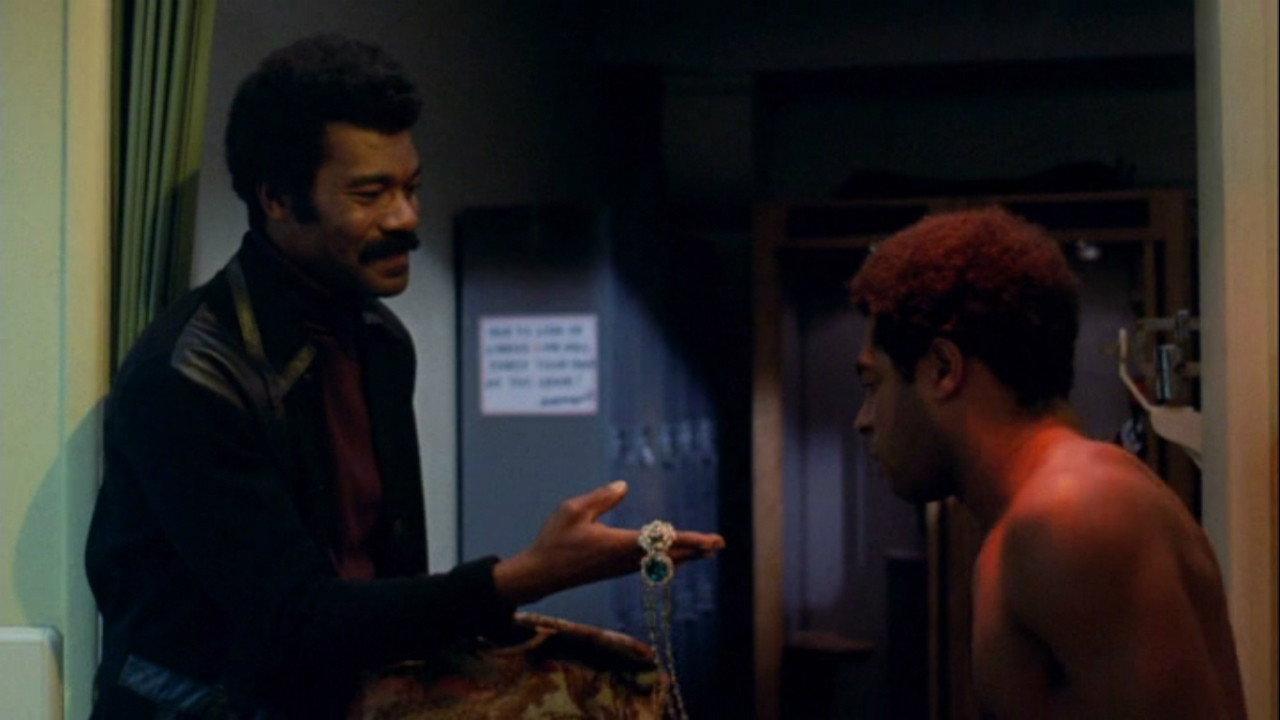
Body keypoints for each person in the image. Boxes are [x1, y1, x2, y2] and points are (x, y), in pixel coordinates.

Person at [85, 35, 722, 719]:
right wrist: (525, 576)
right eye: (371, 194)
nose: (406, 218)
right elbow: (294, 618)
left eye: (411, 187)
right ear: (277, 198)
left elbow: (387, 578)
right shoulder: (189, 375)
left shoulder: (379, 340)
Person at [848, 206, 1247, 719]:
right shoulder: (1045, 513)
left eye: (873, 384)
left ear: (943, 368)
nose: (864, 419)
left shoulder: (1072, 512)